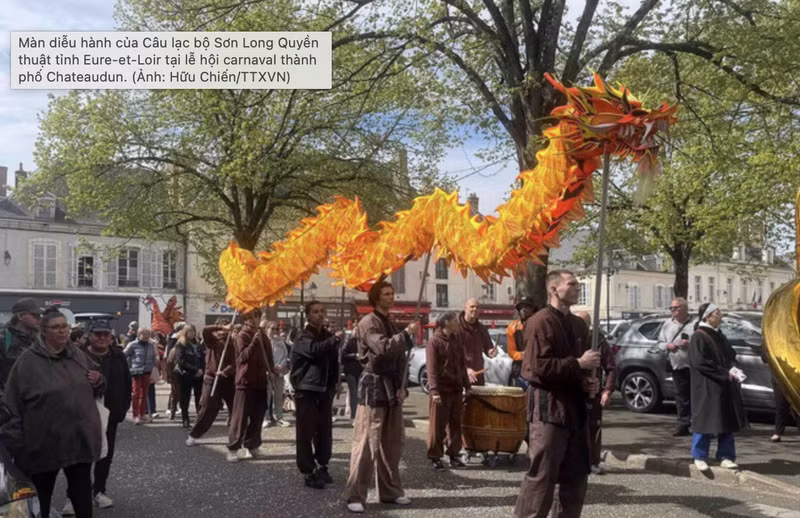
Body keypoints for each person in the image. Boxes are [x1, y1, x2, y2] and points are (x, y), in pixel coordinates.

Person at [1, 307, 105, 518]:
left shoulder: (77, 355)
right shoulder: (28, 362)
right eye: (56, 327)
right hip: (43, 444)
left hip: (78, 440)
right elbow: (11, 405)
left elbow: (98, 381)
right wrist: (18, 446)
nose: (62, 332)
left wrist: (99, 380)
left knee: (82, 495)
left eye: (65, 327)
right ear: (43, 331)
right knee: (41, 499)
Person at [514, 270, 601, 518]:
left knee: (576, 476)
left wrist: (587, 383)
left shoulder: (578, 325)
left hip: (574, 409)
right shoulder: (539, 322)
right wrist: (578, 364)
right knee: (542, 476)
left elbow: (581, 367)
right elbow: (536, 368)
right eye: (571, 284)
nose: (577, 287)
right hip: (548, 409)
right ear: (554, 289)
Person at [344, 281, 417, 514]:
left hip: (392, 387)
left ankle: (390, 491)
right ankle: (355, 494)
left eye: (392, 293)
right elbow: (382, 347)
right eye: (386, 294)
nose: (391, 297)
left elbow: (399, 359)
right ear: (376, 298)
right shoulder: (368, 322)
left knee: (392, 443)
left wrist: (402, 386)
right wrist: (406, 334)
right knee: (366, 442)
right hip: (373, 386)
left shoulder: (391, 322)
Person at [63, 320, 132, 515]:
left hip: (110, 412)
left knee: (105, 454)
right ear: (89, 336)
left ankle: (99, 491)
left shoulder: (118, 356)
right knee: (78, 455)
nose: (102, 338)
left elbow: (127, 382)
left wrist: (123, 407)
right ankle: (72, 496)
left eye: (105, 335)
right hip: (82, 412)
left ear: (111, 337)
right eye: (97, 334)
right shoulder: (77, 355)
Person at [688, 303, 748, 472]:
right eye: (717, 313)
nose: (720, 315)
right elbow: (700, 362)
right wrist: (724, 373)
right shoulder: (698, 336)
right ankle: (699, 456)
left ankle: (726, 455)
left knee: (726, 420)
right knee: (705, 420)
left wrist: (734, 368)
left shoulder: (719, 335)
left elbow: (731, 355)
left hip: (723, 385)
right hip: (706, 386)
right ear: (708, 316)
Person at [290, 301, 343, 489]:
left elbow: (334, 362)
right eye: (315, 312)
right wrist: (334, 340)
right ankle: (308, 470)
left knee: (324, 431)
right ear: (308, 316)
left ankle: (323, 465)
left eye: (322, 311)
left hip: (324, 390)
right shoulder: (302, 337)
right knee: (306, 432)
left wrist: (337, 382)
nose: (320, 315)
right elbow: (313, 351)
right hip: (307, 389)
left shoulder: (328, 336)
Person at [227, 309, 274, 463]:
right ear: (245, 319)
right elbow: (241, 358)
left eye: (257, 316)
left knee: (257, 416)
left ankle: (252, 445)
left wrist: (272, 370)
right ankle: (233, 447)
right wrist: (254, 342)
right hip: (245, 382)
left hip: (260, 381)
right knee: (240, 417)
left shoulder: (263, 336)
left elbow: (269, 356)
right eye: (252, 317)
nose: (255, 319)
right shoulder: (242, 335)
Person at [575, 311, 617, 475]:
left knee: (594, 427)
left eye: (583, 322)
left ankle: (593, 461)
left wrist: (607, 390)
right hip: (572, 390)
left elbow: (611, 367)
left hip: (593, 391)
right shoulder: (568, 338)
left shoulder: (598, 341)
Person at [426, 311, 469, 471]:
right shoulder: (434, 341)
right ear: (446, 323)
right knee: (437, 426)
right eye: (455, 320)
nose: (458, 323)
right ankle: (435, 456)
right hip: (442, 390)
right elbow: (431, 368)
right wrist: (434, 390)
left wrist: (467, 386)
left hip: (456, 389)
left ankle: (454, 454)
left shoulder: (456, 339)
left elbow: (462, 364)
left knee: (456, 424)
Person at [185, 322, 237, 446]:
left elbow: (236, 362)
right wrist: (222, 327)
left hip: (228, 379)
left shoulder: (233, 343)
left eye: (225, 328)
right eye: (221, 328)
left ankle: (238, 437)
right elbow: (205, 330)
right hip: (212, 379)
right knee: (208, 408)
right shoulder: (212, 341)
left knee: (236, 409)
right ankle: (194, 434)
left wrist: (226, 371)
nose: (223, 331)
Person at [657, 297, 694, 436]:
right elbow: (660, 343)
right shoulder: (667, 325)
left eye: (676, 308)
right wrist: (668, 345)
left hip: (693, 365)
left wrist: (689, 343)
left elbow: (701, 342)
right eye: (671, 308)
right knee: (681, 397)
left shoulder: (694, 324)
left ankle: (698, 425)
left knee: (696, 397)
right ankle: (683, 425)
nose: (673, 310)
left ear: (684, 308)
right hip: (677, 366)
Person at [0, 298, 42, 396]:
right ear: (20, 316)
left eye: (40, 315)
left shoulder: (41, 340)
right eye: (34, 315)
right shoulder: (3, 340)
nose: (39, 319)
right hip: (11, 401)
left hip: (37, 400)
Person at [454, 298, 496, 386]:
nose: (475, 309)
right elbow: (453, 354)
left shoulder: (482, 329)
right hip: (461, 375)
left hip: (478, 375)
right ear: (465, 308)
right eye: (472, 307)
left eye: (477, 307)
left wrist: (491, 352)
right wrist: (466, 369)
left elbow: (488, 347)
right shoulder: (456, 329)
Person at [174, 324, 205, 429]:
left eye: (193, 331)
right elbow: (180, 361)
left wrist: (201, 370)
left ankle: (199, 419)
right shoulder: (181, 344)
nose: (191, 334)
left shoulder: (197, 345)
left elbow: (202, 358)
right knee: (185, 398)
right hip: (185, 374)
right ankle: (185, 418)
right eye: (189, 331)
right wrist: (195, 369)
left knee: (199, 397)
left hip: (198, 375)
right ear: (185, 332)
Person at [123, 328, 157, 425]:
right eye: (143, 334)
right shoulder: (132, 345)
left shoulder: (151, 345)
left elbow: (153, 358)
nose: (146, 336)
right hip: (136, 371)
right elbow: (123, 355)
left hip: (147, 372)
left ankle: (142, 414)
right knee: (136, 393)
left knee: (145, 394)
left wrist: (155, 364)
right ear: (139, 334)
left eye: (147, 334)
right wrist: (127, 367)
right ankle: (135, 415)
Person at [265, 320, 291, 428]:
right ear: (267, 329)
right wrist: (270, 368)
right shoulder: (265, 341)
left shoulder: (281, 342)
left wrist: (282, 365)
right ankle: (266, 418)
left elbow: (286, 355)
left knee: (279, 396)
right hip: (268, 372)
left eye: (277, 329)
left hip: (279, 371)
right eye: (272, 329)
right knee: (267, 396)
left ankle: (279, 417)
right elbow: (264, 356)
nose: (275, 331)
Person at [507, 298, 539, 386]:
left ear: (533, 309)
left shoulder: (540, 325)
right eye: (521, 307)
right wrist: (522, 355)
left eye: (527, 306)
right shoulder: (512, 327)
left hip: (537, 365)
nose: (523, 309)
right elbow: (511, 352)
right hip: (519, 366)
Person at [165, 321, 187, 420]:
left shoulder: (187, 340)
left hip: (185, 369)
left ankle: (179, 408)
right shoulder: (174, 339)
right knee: (175, 391)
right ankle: (171, 408)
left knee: (180, 390)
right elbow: (169, 355)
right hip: (175, 368)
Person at [340, 331, 363, 421]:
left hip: (360, 369)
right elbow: (343, 355)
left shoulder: (361, 341)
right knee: (354, 392)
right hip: (351, 371)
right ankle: (354, 415)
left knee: (359, 393)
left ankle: (357, 414)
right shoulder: (349, 341)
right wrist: (354, 355)